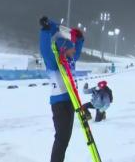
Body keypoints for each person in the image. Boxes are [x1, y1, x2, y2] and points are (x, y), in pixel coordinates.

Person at [39, 16, 84, 162]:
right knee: (61, 138)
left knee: (65, 138)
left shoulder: (70, 60)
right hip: (60, 104)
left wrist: (80, 38)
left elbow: (77, 51)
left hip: (71, 101)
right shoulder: (54, 62)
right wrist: (46, 30)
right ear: (64, 49)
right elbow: (45, 49)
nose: (74, 51)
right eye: (71, 48)